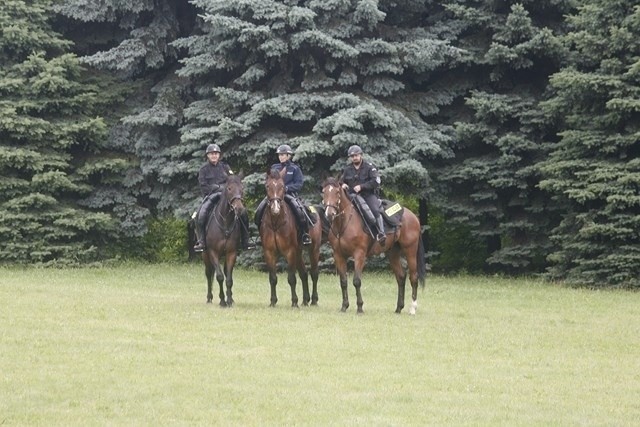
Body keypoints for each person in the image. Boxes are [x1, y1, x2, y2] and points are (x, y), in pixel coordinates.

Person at [193, 143, 253, 253]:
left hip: (226, 196)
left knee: (243, 212)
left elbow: (232, 181)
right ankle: (201, 241)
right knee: (201, 214)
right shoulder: (204, 169)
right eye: (212, 154)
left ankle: (245, 241)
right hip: (211, 195)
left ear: (219, 155)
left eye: (216, 154)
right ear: (208, 156)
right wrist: (216, 188)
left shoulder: (225, 167)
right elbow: (203, 186)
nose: (214, 156)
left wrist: (225, 189)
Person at [254, 144, 312, 245]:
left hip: (289, 194)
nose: (281, 157)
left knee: (299, 210)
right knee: (260, 210)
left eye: (283, 155)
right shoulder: (274, 167)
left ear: (289, 156)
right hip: (274, 195)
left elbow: (299, 184)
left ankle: (304, 234)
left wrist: (287, 188)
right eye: (279, 155)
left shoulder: (295, 168)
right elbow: (268, 181)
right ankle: (260, 236)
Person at [340, 144, 386, 244]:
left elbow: (376, 181)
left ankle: (381, 233)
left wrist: (362, 186)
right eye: (352, 156)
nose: (354, 158)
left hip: (368, 195)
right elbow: (341, 181)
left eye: (356, 155)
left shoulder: (369, 167)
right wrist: (343, 184)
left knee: (374, 210)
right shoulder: (347, 169)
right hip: (352, 196)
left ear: (361, 155)